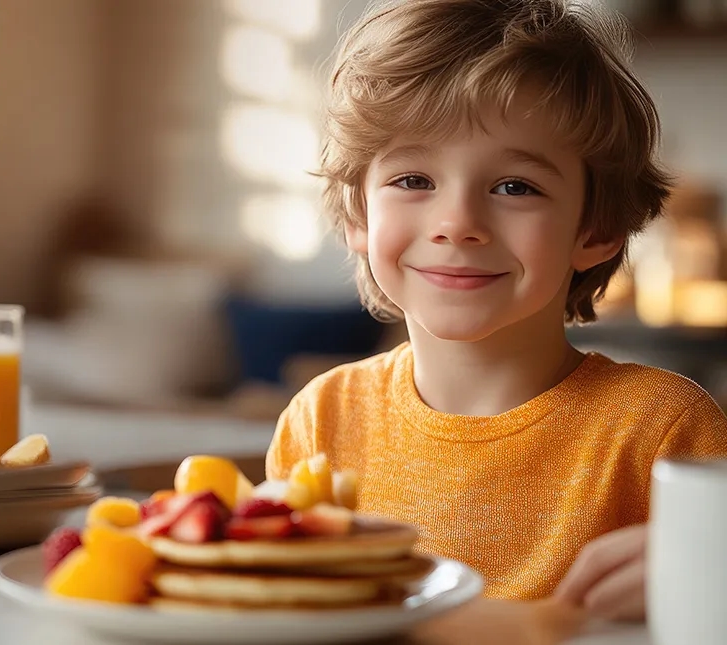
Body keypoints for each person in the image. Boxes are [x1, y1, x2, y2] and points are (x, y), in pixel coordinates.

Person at [265, 0, 727, 623]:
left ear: (596, 227)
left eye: (515, 187)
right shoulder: (318, 423)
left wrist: (705, 572)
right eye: (412, 180)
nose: (457, 224)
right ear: (358, 214)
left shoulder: (665, 432)